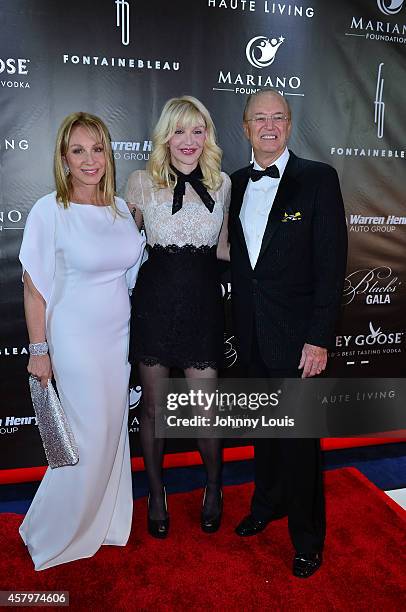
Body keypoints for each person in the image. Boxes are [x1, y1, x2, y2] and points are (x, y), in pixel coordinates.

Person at [18, 112, 145, 570]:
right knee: (86, 439)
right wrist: (39, 350)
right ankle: (53, 531)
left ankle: (104, 522)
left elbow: (130, 274)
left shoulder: (120, 211)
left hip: (118, 338)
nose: (90, 159)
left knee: (110, 433)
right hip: (75, 339)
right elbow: (34, 288)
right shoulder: (49, 210)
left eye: (97, 148)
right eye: (78, 150)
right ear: (63, 159)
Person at [228, 90, 347, 578]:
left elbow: (331, 263)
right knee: (264, 434)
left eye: (279, 117)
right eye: (260, 118)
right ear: (245, 127)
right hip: (251, 335)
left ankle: (307, 539)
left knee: (300, 443)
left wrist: (319, 337)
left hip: (300, 339)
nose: (270, 125)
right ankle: (265, 505)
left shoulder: (318, 179)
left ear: (290, 124)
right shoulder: (232, 183)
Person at [125, 95, 230, 538]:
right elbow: (123, 250)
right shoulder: (139, 182)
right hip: (155, 303)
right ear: (165, 136)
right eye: (178, 130)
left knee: (206, 409)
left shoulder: (222, 183)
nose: (188, 140)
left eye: (197, 130)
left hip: (204, 305)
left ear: (207, 136)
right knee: (153, 408)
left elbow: (225, 248)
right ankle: (155, 493)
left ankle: (214, 488)